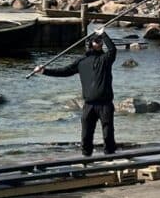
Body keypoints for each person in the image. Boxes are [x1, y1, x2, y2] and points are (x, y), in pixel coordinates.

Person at [33, 29, 118, 157]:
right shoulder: (82, 62)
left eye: (100, 41)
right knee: (86, 135)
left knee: (108, 134)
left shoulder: (105, 60)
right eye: (96, 41)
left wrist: (104, 35)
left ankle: (110, 159)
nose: (99, 43)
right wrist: (44, 71)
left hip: (105, 104)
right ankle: (85, 159)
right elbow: (64, 71)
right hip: (88, 105)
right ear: (90, 44)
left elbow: (113, 50)